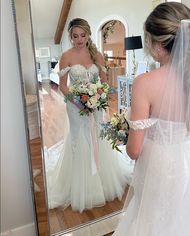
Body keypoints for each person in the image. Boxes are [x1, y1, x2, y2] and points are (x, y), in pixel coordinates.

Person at [113, 2, 190, 236]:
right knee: (177, 217)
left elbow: (134, 151)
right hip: (188, 165)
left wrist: (127, 134)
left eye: (148, 39)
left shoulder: (145, 83)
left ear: (159, 45)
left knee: (149, 221)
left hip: (158, 169)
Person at [46, 18, 132, 212]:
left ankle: (100, 178)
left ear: (88, 35)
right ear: (70, 36)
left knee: (97, 137)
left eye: (82, 35)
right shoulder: (66, 56)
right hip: (75, 107)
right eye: (75, 36)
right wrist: (78, 101)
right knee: (80, 138)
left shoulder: (97, 55)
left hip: (96, 106)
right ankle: (80, 184)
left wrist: (96, 99)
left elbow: (103, 83)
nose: (79, 39)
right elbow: (62, 86)